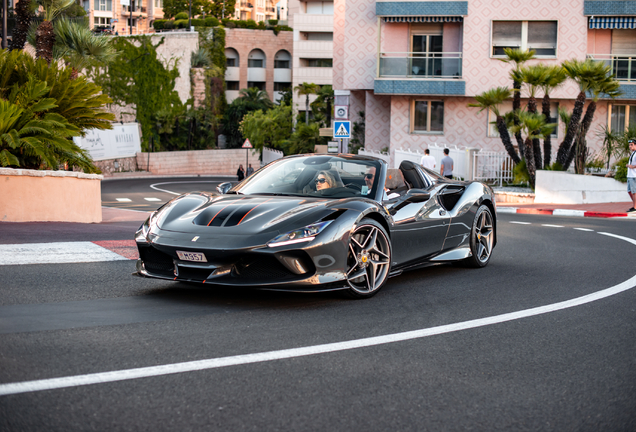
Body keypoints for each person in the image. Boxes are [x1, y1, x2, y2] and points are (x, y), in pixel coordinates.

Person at [627, 139, 636, 212]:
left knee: (633, 192)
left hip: (633, 175)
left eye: (631, 145)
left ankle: (635, 207)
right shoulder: (633, 153)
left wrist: (632, 167)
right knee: (629, 191)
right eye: (629, 145)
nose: (630, 146)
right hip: (630, 175)